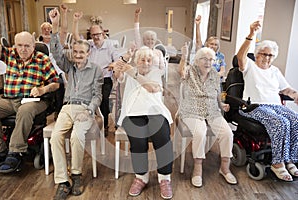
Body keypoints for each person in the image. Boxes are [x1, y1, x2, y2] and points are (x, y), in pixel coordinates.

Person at [49, 8, 103, 200]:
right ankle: (63, 181)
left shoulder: (96, 70)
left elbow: (98, 96)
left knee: (77, 136)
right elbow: (55, 52)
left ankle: (77, 175)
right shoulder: (69, 66)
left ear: (88, 54)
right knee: (55, 137)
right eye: (76, 52)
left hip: (85, 108)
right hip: (67, 107)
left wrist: (89, 110)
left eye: (82, 52)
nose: (78, 55)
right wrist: (55, 27)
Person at [236, 21, 298, 182]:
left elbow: (286, 90)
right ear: (256, 54)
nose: (267, 58)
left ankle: (290, 159)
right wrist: (251, 34)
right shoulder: (249, 66)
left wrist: (296, 96)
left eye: (270, 55)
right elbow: (240, 57)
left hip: (275, 105)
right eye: (264, 54)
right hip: (254, 106)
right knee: (280, 122)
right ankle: (277, 164)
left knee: (296, 120)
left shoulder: (275, 71)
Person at [113, 46, 173, 199]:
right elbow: (117, 74)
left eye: (149, 60)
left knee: (163, 138)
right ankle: (141, 177)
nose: (146, 63)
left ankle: (164, 178)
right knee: (138, 140)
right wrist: (125, 58)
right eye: (142, 60)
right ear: (136, 61)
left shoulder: (156, 73)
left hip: (156, 111)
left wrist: (133, 72)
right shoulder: (128, 72)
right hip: (132, 112)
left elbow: (152, 87)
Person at [0, 31, 59, 173]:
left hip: (35, 101)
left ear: (33, 46)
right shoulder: (9, 55)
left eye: (27, 46)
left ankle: (15, 152)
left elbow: (56, 83)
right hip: (9, 100)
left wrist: (43, 89)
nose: (23, 49)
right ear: (14, 46)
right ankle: (0, 150)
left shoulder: (42, 59)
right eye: (19, 45)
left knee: (24, 110)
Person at [179, 45, 237, 187]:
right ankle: (197, 169)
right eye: (204, 59)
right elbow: (181, 71)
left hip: (212, 110)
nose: (208, 62)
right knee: (200, 132)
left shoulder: (215, 76)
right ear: (197, 60)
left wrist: (221, 104)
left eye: (211, 60)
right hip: (192, 110)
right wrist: (184, 56)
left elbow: (217, 93)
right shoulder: (190, 71)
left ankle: (225, 167)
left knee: (227, 133)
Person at [72, 11, 120, 136]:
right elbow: (76, 37)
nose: (96, 37)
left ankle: (103, 125)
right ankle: (88, 122)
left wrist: (113, 65)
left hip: (105, 79)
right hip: (89, 78)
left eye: (98, 34)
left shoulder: (110, 46)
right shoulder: (89, 45)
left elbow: (117, 61)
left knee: (102, 100)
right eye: (93, 35)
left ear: (103, 33)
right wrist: (76, 21)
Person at [134, 8, 165, 73]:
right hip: (142, 77)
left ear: (155, 41)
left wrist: (155, 75)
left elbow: (163, 69)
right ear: (144, 40)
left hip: (155, 77)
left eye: (152, 39)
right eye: (148, 39)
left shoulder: (159, 52)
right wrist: (137, 16)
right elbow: (136, 32)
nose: (150, 41)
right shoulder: (141, 49)